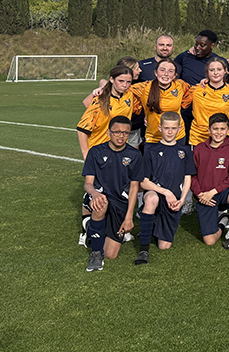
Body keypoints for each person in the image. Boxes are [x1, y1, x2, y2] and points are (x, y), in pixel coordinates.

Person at [81, 115, 143, 271]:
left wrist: (129, 217)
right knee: (101, 203)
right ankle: (96, 254)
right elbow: (88, 184)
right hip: (100, 196)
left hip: (119, 203)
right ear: (108, 133)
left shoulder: (135, 155)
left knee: (110, 254)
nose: (121, 136)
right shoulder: (96, 152)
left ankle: (91, 227)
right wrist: (94, 194)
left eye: (125, 133)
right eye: (117, 132)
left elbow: (134, 188)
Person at [134, 111, 196, 264]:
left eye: (173, 128)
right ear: (160, 128)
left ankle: (151, 226)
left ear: (179, 129)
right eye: (166, 128)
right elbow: (144, 182)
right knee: (151, 199)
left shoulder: (185, 151)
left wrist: (182, 200)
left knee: (164, 246)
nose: (170, 132)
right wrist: (165, 192)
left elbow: (187, 178)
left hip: (174, 200)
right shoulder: (150, 150)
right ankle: (143, 250)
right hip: (156, 194)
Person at [191, 114, 229, 250]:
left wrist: (213, 191)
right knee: (209, 241)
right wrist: (200, 194)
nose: (219, 132)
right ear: (209, 130)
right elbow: (191, 176)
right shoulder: (198, 149)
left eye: (222, 129)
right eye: (215, 129)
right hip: (204, 196)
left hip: (223, 192)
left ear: (228, 130)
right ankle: (223, 221)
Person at [76, 64, 136, 158]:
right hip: (99, 149)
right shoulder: (100, 100)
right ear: (112, 79)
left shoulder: (130, 94)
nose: (125, 85)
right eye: (121, 81)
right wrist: (86, 154)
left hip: (120, 149)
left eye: (128, 82)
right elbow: (82, 129)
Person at [130, 60, 191, 145]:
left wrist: (205, 80)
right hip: (153, 137)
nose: (166, 74)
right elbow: (122, 90)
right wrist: (141, 111)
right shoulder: (144, 87)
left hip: (177, 137)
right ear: (156, 73)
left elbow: (193, 91)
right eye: (162, 70)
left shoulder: (180, 85)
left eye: (170, 71)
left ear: (175, 76)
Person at [182, 58, 229, 147]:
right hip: (198, 139)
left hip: (222, 139)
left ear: (225, 70)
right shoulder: (195, 90)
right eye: (212, 70)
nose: (215, 73)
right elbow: (178, 102)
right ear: (207, 72)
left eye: (219, 69)